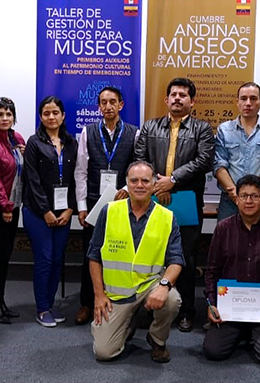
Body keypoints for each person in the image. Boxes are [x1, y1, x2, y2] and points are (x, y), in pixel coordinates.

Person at [133, 77, 215, 332]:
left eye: (183, 95)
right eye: (174, 94)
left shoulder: (202, 129)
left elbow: (205, 160)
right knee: (153, 255)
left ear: (192, 101)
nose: (178, 98)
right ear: (166, 99)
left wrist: (174, 180)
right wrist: (159, 183)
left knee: (186, 257)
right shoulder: (150, 127)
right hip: (154, 199)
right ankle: (149, 308)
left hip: (186, 200)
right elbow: (139, 158)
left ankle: (187, 311)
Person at [89, 161, 184, 362]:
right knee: (105, 353)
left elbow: (176, 260)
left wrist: (164, 286)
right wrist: (98, 294)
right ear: (127, 183)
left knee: (172, 300)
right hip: (117, 292)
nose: (139, 185)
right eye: (134, 181)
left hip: (150, 284)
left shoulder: (167, 217)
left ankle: (157, 339)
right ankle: (128, 322)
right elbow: (94, 255)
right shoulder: (109, 211)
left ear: (154, 184)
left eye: (145, 181)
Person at [203, 175, 260, 367]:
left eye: (254, 196)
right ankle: (243, 332)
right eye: (244, 196)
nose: (249, 201)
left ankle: (252, 332)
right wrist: (211, 304)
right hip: (230, 309)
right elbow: (212, 271)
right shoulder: (223, 229)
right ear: (236, 199)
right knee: (213, 351)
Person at [73, 86, 138, 325]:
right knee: (90, 253)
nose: (108, 106)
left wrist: (128, 190)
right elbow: (80, 171)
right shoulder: (87, 132)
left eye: (113, 102)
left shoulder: (134, 133)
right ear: (98, 106)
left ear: (121, 105)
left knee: (119, 252)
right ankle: (86, 303)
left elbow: (138, 168)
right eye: (103, 102)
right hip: (93, 203)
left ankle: (120, 302)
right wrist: (81, 206)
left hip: (123, 203)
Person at [23, 96, 78, 327]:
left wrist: (70, 209)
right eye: (46, 113)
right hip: (37, 212)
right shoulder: (35, 143)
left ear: (63, 115)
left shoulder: (72, 143)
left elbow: (77, 178)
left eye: (55, 112)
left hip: (63, 212)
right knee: (44, 260)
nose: (51, 117)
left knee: (57, 260)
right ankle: (42, 308)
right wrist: (45, 211)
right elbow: (32, 180)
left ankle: (50, 303)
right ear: (41, 116)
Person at [214, 82, 260, 220]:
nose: (248, 103)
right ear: (237, 102)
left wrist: (253, 192)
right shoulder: (224, 130)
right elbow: (219, 165)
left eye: (253, 98)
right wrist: (236, 193)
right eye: (243, 98)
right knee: (228, 240)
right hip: (230, 200)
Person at [0, 96, 26, 323]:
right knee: (0, 256)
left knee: (7, 254)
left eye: (9, 114)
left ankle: (1, 301)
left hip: (17, 203)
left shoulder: (16, 138)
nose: (5, 118)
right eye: (0, 114)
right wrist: (6, 206)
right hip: (5, 207)